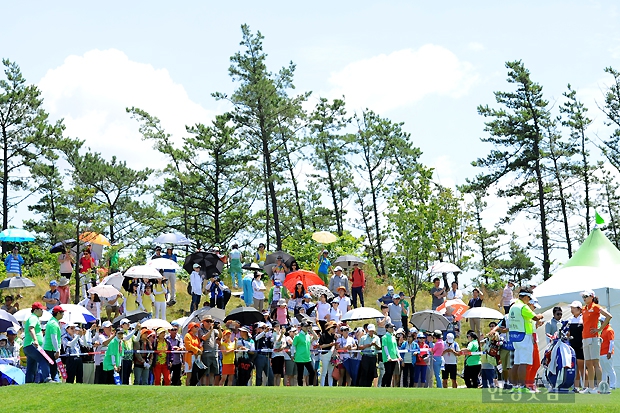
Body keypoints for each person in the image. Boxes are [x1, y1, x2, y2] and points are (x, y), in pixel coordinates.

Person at [508, 289, 543, 391]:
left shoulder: (513, 307)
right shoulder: (523, 307)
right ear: (526, 297)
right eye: (529, 298)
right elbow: (535, 318)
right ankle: (523, 387)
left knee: (517, 363)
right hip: (524, 336)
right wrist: (541, 315)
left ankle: (514, 386)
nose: (529, 301)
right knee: (524, 362)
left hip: (515, 337)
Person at [580, 289, 612, 393]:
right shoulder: (583, 308)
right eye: (583, 296)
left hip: (594, 338)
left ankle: (599, 387)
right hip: (585, 338)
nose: (584, 298)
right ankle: (590, 387)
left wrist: (599, 329)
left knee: (595, 363)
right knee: (588, 363)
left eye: (586, 296)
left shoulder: (596, 307)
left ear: (592, 297)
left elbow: (608, 316)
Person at [23, 302, 51, 383]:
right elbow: (31, 328)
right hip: (32, 344)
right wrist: (35, 340)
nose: (43, 311)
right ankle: (47, 378)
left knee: (31, 366)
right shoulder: (33, 318)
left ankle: (29, 383)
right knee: (43, 360)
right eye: (41, 309)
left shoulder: (32, 318)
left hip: (27, 345)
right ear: (36, 310)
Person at [292, 321, 318, 386]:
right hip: (299, 357)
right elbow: (293, 346)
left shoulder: (308, 336)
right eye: (305, 326)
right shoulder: (297, 336)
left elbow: (316, 337)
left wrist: (311, 330)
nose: (307, 328)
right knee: (300, 374)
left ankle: (311, 385)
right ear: (301, 327)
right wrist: (292, 355)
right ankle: (300, 386)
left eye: (307, 326)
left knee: (312, 372)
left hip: (307, 357)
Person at [43, 305, 64, 381]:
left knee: (53, 368)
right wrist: (57, 350)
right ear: (58, 313)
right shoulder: (53, 324)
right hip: (51, 349)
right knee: (53, 369)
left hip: (50, 349)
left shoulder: (53, 322)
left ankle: (54, 380)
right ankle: (55, 381)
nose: (63, 314)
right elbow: (54, 338)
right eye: (62, 313)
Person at [568, 300, 586, 390]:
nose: (572, 310)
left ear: (579, 309)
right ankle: (576, 386)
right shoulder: (570, 319)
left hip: (581, 345)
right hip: (572, 346)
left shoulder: (583, 319)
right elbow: (569, 332)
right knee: (575, 367)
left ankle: (586, 386)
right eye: (571, 308)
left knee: (581, 366)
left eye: (573, 308)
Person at [199, 315, 220, 386]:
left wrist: (219, 329)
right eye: (207, 321)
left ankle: (211, 386)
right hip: (206, 354)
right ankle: (204, 386)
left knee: (212, 373)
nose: (209, 323)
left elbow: (220, 336)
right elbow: (204, 338)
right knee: (205, 373)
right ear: (203, 322)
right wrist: (211, 330)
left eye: (210, 321)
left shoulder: (214, 330)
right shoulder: (201, 330)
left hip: (214, 354)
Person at [253, 322, 274, 386]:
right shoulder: (256, 336)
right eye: (262, 328)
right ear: (258, 329)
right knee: (259, 376)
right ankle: (258, 388)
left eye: (265, 328)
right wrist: (264, 332)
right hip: (259, 356)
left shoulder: (267, 337)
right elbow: (256, 338)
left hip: (266, 357)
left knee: (270, 375)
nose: (265, 329)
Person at [318, 321, 337, 386]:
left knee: (330, 372)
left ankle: (330, 386)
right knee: (324, 372)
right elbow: (321, 346)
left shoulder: (333, 336)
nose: (334, 329)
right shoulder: (323, 335)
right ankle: (322, 386)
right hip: (325, 354)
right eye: (333, 328)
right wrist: (330, 344)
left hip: (331, 355)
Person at [599, 316, 616, 390]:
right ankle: (604, 385)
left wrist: (609, 352)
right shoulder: (603, 330)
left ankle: (612, 385)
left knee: (609, 370)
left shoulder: (609, 330)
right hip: (602, 353)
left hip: (606, 353)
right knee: (604, 371)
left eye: (601, 322)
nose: (600, 323)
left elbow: (611, 342)